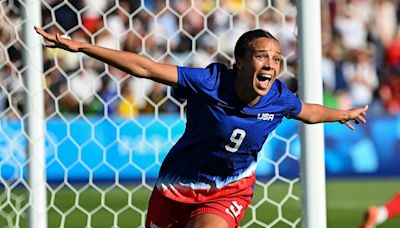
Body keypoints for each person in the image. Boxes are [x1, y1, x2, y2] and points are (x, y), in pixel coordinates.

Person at [34, 27, 368, 228]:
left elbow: (307, 112)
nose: (271, 65)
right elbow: (145, 67)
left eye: (277, 59)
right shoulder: (210, 81)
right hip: (175, 187)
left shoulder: (279, 97)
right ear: (240, 61)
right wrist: (83, 47)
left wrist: (343, 114)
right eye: (262, 56)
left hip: (229, 190)